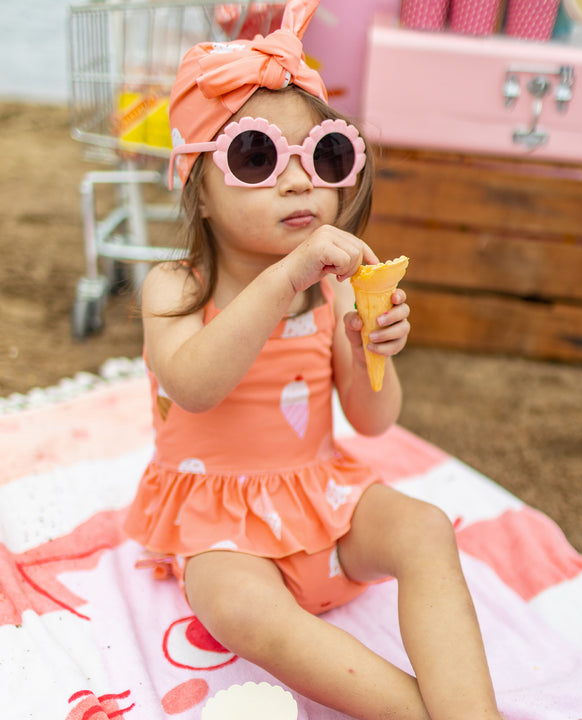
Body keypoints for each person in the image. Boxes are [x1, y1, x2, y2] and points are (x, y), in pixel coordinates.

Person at [124, 1, 503, 718]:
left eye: (324, 154)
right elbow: (194, 385)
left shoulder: (332, 290)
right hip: (220, 522)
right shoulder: (177, 286)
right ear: (197, 190)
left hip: (319, 499)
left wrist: (372, 354)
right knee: (238, 605)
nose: (299, 181)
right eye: (257, 158)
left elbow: (373, 421)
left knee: (424, 527)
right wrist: (283, 279)